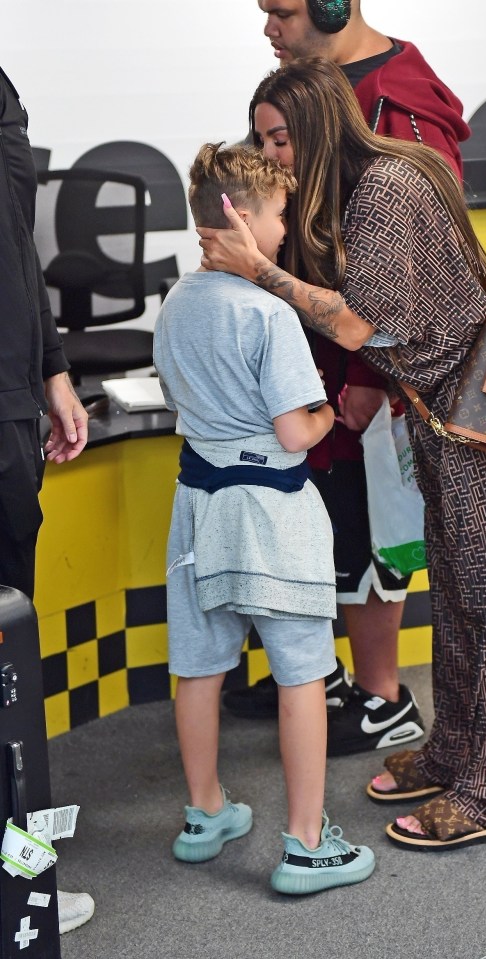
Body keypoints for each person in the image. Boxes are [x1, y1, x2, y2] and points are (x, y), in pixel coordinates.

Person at [197, 58, 486, 849]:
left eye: (280, 138)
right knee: (458, 598)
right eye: (263, 140)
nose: (273, 155)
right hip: (450, 414)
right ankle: (459, 751)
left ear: (315, 124)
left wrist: (260, 271)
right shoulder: (359, 187)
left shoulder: (384, 187)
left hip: (484, 417)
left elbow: (361, 325)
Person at [223, 0, 471, 758]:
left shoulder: (401, 101)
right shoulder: (309, 86)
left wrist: (372, 379)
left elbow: (419, 267)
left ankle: (381, 695)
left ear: (335, 4)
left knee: (371, 527)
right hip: (314, 352)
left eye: (285, 11)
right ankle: (326, 676)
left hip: (367, 368)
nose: (270, 27)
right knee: (326, 517)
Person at [153, 142, 375, 892]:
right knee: (304, 671)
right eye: (279, 214)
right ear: (238, 215)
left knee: (200, 661)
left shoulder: (177, 301)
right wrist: (322, 410)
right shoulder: (269, 312)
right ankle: (308, 844)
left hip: (197, 509)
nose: (284, 229)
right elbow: (293, 432)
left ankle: (205, 810)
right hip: (271, 512)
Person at [0, 66, 94, 932]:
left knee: (6, 668)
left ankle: (17, 887)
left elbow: (14, 244)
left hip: (12, 408)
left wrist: (53, 368)